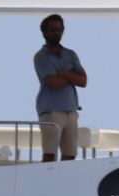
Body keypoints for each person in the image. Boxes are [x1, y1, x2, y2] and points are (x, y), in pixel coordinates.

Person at [33, 14, 87, 162]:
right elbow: (54, 83)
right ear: (44, 32)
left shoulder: (70, 54)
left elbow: (83, 81)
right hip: (51, 110)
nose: (56, 32)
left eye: (59, 29)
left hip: (71, 110)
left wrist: (63, 74)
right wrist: (71, 75)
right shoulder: (41, 56)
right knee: (50, 152)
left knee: (70, 153)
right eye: (51, 29)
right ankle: (47, 179)